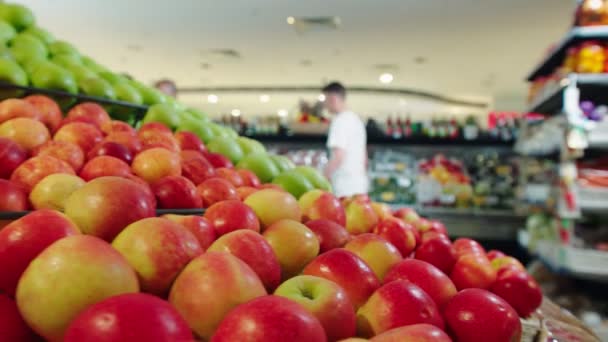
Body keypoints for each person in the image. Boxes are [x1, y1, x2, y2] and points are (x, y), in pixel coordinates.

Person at [322, 82, 369, 198]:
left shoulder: (339, 121)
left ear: (332, 98)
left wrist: (322, 179)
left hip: (343, 186)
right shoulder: (356, 120)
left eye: (325, 99)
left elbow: (338, 156)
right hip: (359, 184)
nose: (325, 104)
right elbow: (365, 158)